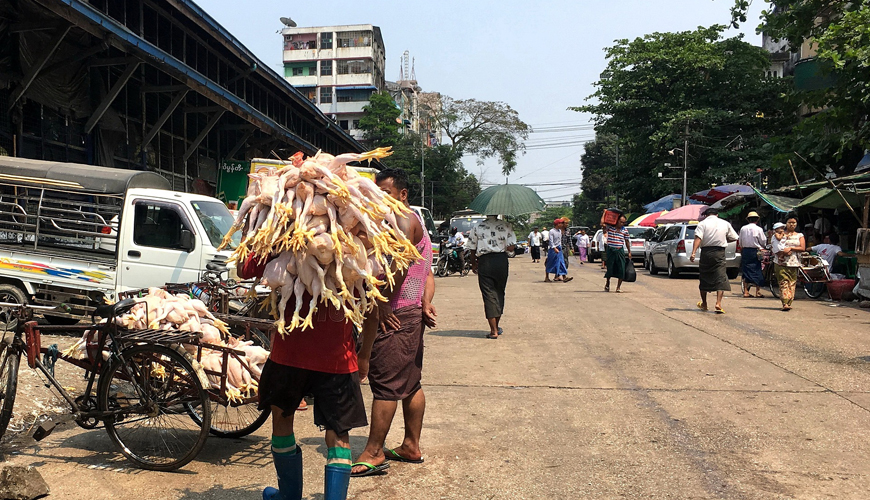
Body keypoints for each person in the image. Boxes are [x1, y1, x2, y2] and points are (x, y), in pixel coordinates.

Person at [238, 259, 372, 500]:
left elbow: (244, 269)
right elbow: (373, 303)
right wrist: (365, 354)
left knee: (282, 422)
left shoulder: (282, 243)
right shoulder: (357, 249)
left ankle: (288, 496)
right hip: (337, 358)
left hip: (289, 355)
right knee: (338, 434)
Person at [352, 168, 437, 478]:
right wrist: (424, 301)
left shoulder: (402, 218)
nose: (380, 198)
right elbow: (426, 271)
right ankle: (411, 446)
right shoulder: (414, 221)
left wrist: (384, 302)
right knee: (411, 383)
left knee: (386, 384)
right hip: (409, 312)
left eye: (385, 192)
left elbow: (399, 263)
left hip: (396, 314)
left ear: (402, 194)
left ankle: (374, 452)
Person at [468, 213, 516, 339]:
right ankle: (496, 326)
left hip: (485, 261)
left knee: (488, 294)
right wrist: (501, 243)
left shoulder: (478, 226)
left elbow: (472, 247)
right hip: (501, 261)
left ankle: (493, 330)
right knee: (499, 292)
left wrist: (473, 264)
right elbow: (511, 247)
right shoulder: (506, 225)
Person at [689, 207, 738, 313]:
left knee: (704, 276)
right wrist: (724, 239)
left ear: (706, 215)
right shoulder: (725, 223)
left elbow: (698, 238)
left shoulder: (702, 224)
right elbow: (734, 237)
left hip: (706, 253)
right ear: (717, 215)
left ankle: (704, 303)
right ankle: (718, 303)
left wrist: (693, 252)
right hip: (719, 253)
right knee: (720, 276)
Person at [772, 217, 805, 311]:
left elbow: (802, 248)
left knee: (792, 283)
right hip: (780, 262)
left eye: (794, 223)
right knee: (783, 282)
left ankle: (789, 302)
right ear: (785, 224)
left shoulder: (800, 235)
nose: (792, 224)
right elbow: (774, 245)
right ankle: (785, 303)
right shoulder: (779, 234)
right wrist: (782, 252)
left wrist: (791, 248)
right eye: (790, 222)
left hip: (794, 262)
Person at [738, 211, 767, 298]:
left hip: (746, 251)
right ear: (757, 220)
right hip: (756, 251)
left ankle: (746, 291)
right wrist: (762, 246)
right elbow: (763, 241)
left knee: (746, 270)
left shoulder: (743, 228)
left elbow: (740, 241)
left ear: (748, 220)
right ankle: (757, 291)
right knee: (757, 269)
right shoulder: (759, 229)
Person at [601, 214, 631, 292]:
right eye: (621, 222)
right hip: (611, 250)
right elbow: (602, 224)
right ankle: (607, 283)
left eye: (624, 222)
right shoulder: (610, 228)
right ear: (617, 221)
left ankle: (618, 287)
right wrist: (604, 213)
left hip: (620, 250)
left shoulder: (625, 230)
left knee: (622, 268)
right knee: (610, 268)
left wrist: (629, 252)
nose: (622, 224)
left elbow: (627, 241)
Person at [544, 218, 572, 283]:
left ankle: (564, 277)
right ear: (557, 224)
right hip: (553, 249)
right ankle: (547, 277)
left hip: (559, 248)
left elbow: (559, 241)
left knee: (561, 262)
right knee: (550, 263)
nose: (562, 224)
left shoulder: (559, 231)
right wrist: (554, 248)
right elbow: (551, 241)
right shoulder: (552, 231)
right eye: (561, 223)